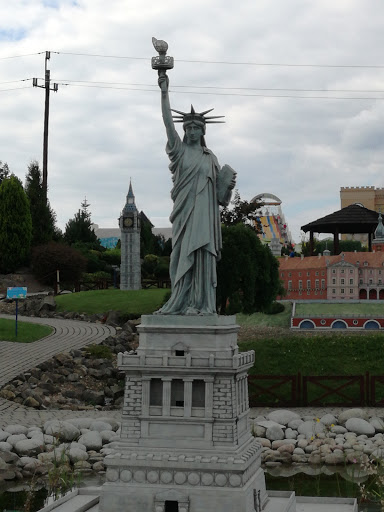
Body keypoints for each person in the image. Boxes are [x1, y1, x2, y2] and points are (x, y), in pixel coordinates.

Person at [155, 74, 236, 315]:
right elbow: (168, 124)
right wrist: (164, 93)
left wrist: (227, 186)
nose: (191, 131)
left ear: (202, 131)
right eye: (188, 127)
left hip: (204, 217)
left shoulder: (210, 158)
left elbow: (220, 198)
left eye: (196, 128)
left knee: (203, 255)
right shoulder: (179, 152)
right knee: (180, 255)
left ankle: (201, 304)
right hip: (184, 213)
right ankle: (179, 300)